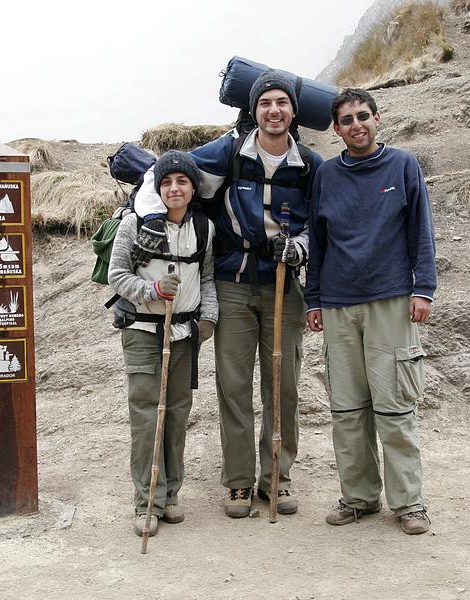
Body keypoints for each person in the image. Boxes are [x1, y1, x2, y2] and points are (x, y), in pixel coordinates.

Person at [132, 71, 322, 517]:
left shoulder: (310, 165)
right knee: (234, 387)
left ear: (293, 111)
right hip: (232, 285)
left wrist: (299, 248)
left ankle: (278, 477)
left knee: (285, 386)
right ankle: (238, 482)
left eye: (282, 103)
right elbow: (167, 176)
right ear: (253, 110)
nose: (273, 111)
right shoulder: (229, 152)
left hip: (285, 285)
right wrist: (153, 223)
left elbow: (324, 223)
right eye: (265, 104)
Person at [305, 88, 437, 535]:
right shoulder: (326, 174)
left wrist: (425, 289)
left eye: (363, 115)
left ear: (377, 119)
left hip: (391, 300)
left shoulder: (402, 165)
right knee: (347, 409)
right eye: (346, 119)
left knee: (395, 407)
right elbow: (317, 240)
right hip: (339, 306)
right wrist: (314, 298)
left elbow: (421, 229)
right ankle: (359, 496)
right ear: (337, 129)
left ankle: (408, 502)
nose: (356, 124)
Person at [108, 150, 218, 537]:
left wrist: (209, 317)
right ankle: (147, 501)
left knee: (176, 415)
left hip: (185, 334)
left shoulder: (204, 228)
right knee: (146, 414)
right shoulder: (133, 226)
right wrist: (151, 289)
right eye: (167, 182)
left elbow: (205, 278)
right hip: (142, 331)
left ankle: (171, 495)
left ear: (192, 189)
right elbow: (117, 275)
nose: (174, 188)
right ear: (158, 188)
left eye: (182, 182)